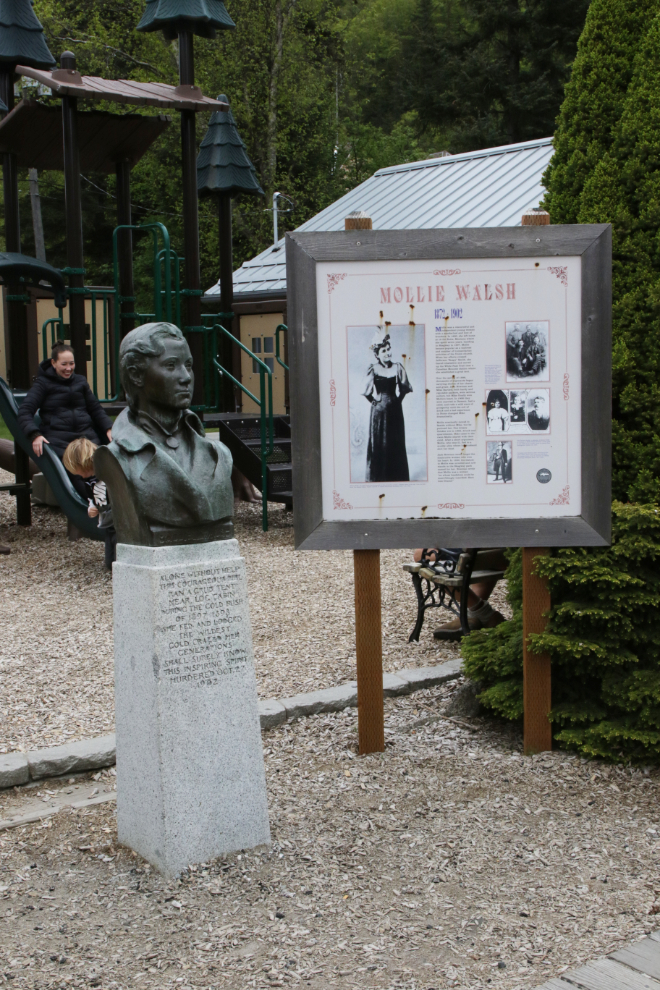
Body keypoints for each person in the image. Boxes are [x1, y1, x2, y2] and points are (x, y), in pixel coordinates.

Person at [17, 341, 113, 499]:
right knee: (77, 470)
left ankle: (108, 504)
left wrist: (108, 428)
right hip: (61, 439)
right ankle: (93, 505)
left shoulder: (80, 381)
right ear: (53, 363)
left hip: (86, 436)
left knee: (100, 466)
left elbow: (95, 408)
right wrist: (35, 434)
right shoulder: (43, 384)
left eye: (72, 363)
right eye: (64, 364)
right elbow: (25, 411)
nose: (68, 368)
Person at [412, 547, 506, 639]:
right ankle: (472, 616)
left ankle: (486, 614)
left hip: (471, 558)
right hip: (504, 557)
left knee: (420, 553)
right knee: (485, 550)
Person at [363, 333, 412, 482]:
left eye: (389, 349)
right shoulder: (374, 369)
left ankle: (396, 476)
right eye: (383, 351)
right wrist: (374, 402)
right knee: (379, 443)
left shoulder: (397, 367)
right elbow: (366, 392)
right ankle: (379, 477)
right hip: (378, 413)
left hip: (395, 412)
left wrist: (397, 401)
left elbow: (404, 388)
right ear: (377, 355)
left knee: (394, 443)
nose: (387, 353)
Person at [63, 438, 116, 569]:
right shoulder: (88, 481)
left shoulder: (107, 474)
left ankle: (120, 565)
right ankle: (111, 564)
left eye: (80, 471)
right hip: (106, 518)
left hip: (117, 517)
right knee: (110, 545)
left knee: (118, 541)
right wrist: (92, 507)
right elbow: (92, 497)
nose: (80, 475)